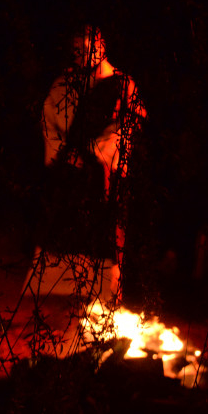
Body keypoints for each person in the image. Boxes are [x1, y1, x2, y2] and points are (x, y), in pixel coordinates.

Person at [25, 26, 145, 351]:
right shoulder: (64, 83)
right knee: (66, 235)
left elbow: (126, 127)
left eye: (87, 48)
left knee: (102, 240)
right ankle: (73, 308)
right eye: (76, 49)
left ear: (101, 47)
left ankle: (103, 309)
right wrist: (64, 153)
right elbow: (48, 119)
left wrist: (92, 152)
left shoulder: (121, 84)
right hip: (70, 176)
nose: (82, 55)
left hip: (103, 179)